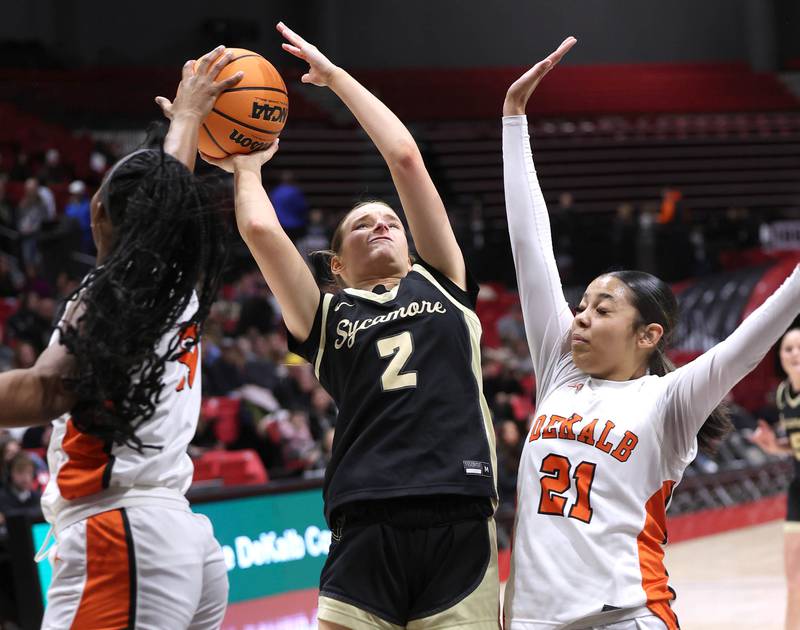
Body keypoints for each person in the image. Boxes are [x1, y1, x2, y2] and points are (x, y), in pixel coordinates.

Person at [203, 21, 500, 630]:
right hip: (365, 516)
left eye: (390, 219)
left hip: (459, 511)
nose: (382, 225)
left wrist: (336, 79)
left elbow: (405, 157)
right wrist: (248, 166)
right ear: (336, 264)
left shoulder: (442, 278)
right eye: (363, 224)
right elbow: (260, 232)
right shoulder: (325, 313)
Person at [501, 37, 800, 630]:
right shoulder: (560, 369)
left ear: (648, 335)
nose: (580, 317)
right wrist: (514, 117)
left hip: (627, 617)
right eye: (581, 305)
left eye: (602, 309)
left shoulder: (669, 400)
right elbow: (530, 249)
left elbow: (761, 329)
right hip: (532, 621)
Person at [0, 45, 242, 629]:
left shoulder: (114, 291)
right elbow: (165, 199)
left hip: (122, 539)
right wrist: (183, 119)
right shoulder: (173, 284)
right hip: (168, 534)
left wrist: (186, 119)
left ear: (100, 211)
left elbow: (47, 389)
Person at [750, 327, 800, 630]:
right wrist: (773, 446)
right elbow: (794, 446)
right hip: (798, 489)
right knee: (794, 574)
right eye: (787, 349)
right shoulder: (784, 394)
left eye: (799, 347)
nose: (794, 354)